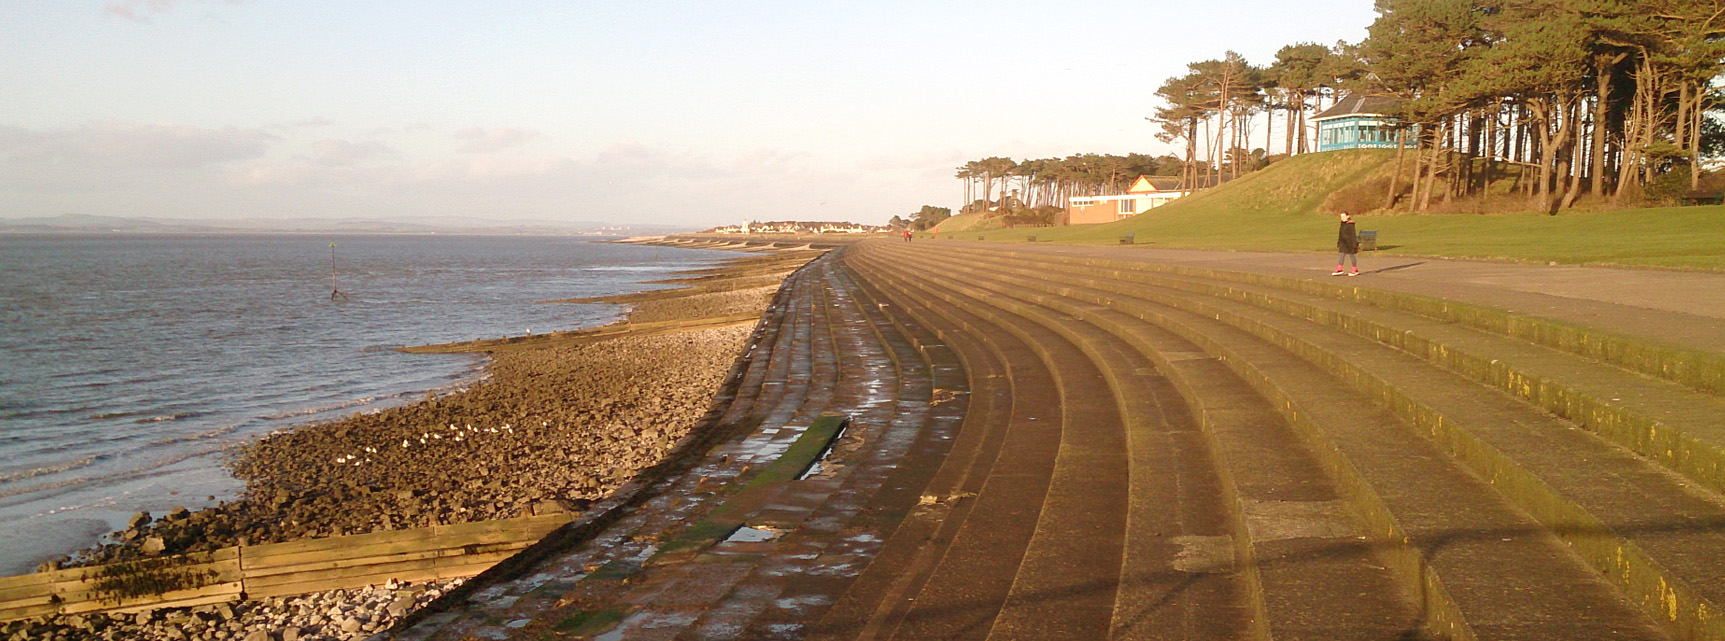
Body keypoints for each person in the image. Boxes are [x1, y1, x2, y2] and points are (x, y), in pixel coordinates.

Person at [1334, 211, 1359, 276]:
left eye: (1344, 216)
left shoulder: (1350, 224)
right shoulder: (1342, 223)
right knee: (1341, 255)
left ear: (1348, 216)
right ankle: (1339, 269)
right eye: (1341, 217)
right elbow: (1341, 233)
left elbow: (1353, 234)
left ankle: (1355, 269)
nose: (1342, 218)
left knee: (1351, 255)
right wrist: (1339, 242)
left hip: (1350, 242)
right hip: (1343, 242)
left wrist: (1354, 245)